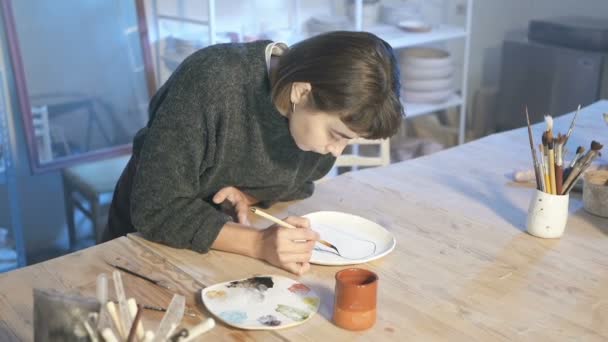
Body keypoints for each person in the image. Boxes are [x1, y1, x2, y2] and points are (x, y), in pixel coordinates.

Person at [104, 31, 404, 275]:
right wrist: (260, 243)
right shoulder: (212, 80)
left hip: (214, 253)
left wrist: (248, 196)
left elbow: (297, 182)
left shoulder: (314, 124)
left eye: (348, 142)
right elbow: (156, 208)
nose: (336, 151)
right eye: (337, 135)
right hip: (138, 246)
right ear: (301, 92)